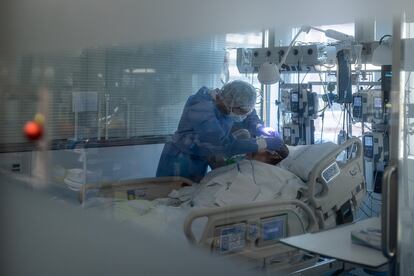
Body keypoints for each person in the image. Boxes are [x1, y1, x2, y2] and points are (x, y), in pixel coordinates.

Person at [156, 80, 287, 182]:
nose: (243, 116)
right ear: (231, 105)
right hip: (181, 159)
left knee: (190, 194)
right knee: (170, 197)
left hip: (200, 158)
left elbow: (249, 115)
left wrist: (259, 127)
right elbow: (224, 145)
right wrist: (263, 143)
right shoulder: (201, 108)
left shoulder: (228, 101)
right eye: (242, 112)